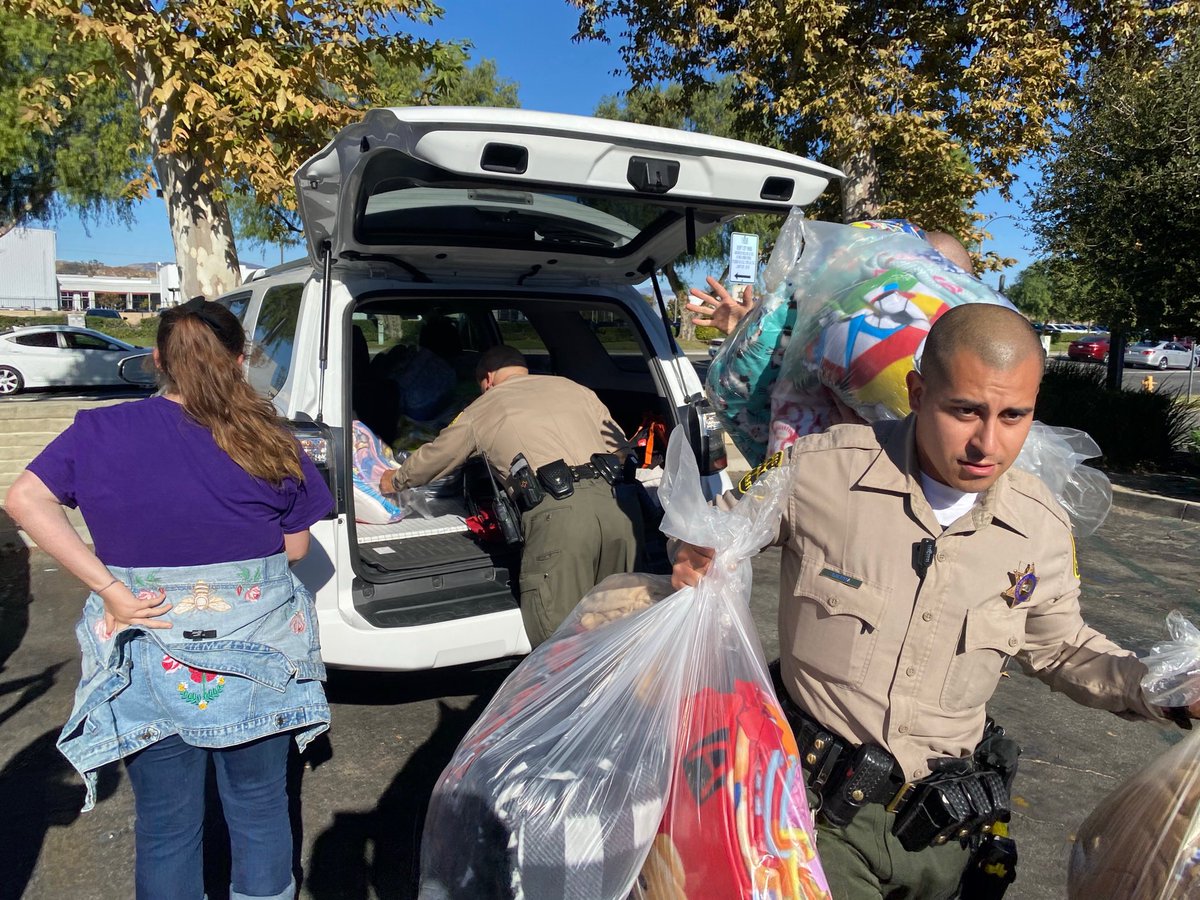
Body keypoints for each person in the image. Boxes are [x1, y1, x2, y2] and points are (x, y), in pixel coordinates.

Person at [671, 303, 1198, 899]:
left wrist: (1163, 687)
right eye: (964, 410)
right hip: (812, 818)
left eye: (1013, 415)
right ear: (918, 392)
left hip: (946, 837)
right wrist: (697, 554)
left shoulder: (1041, 526)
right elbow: (709, 532)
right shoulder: (818, 471)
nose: (987, 443)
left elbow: (1063, 647)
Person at [4, 298, 335, 900]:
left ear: (156, 359)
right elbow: (293, 550)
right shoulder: (270, 437)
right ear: (241, 360)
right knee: (260, 809)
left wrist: (109, 588)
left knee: (165, 824)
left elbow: (24, 500)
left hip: (144, 650)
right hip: (256, 656)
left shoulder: (98, 431)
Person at [379, 344, 641, 646]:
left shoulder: (485, 406)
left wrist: (395, 480)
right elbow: (622, 449)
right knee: (619, 625)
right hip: (618, 511)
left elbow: (439, 456)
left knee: (560, 642)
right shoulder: (575, 388)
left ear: (487, 378)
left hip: (560, 517)